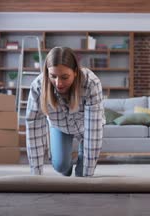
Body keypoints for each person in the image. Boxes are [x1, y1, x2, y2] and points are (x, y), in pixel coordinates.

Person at [26, 47, 105, 177]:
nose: (58, 83)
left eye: (64, 77)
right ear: (47, 73)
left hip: (87, 128)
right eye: (53, 76)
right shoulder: (38, 87)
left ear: (75, 72)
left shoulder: (91, 83)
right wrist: (36, 176)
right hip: (60, 127)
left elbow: (93, 134)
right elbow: (34, 131)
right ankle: (66, 167)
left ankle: (81, 162)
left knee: (82, 175)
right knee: (61, 166)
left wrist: (87, 175)